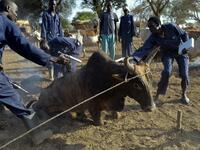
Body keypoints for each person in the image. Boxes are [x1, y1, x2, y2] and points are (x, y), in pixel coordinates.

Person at [0, 0, 68, 145]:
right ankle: (37, 134)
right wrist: (52, 58)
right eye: (16, 11)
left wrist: (6, 79)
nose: (17, 15)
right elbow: (25, 47)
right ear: (7, 8)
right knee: (16, 100)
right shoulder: (5, 22)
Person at [132, 16, 190, 105]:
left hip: (181, 51)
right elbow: (144, 48)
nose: (150, 29)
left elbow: (184, 34)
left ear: (158, 25)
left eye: (152, 26)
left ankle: (184, 94)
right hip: (167, 53)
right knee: (166, 72)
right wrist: (134, 59)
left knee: (184, 74)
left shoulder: (171, 26)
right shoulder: (153, 37)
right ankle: (159, 95)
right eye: (149, 26)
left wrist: (186, 45)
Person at [40, 0, 64, 80]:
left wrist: (62, 39)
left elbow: (60, 28)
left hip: (57, 39)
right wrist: (44, 40)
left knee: (58, 56)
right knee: (49, 58)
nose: (53, 6)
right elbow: (43, 27)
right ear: (49, 5)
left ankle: (58, 75)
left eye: (54, 4)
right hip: (49, 40)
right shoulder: (45, 14)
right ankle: (51, 76)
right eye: (51, 4)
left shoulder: (58, 16)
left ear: (56, 5)